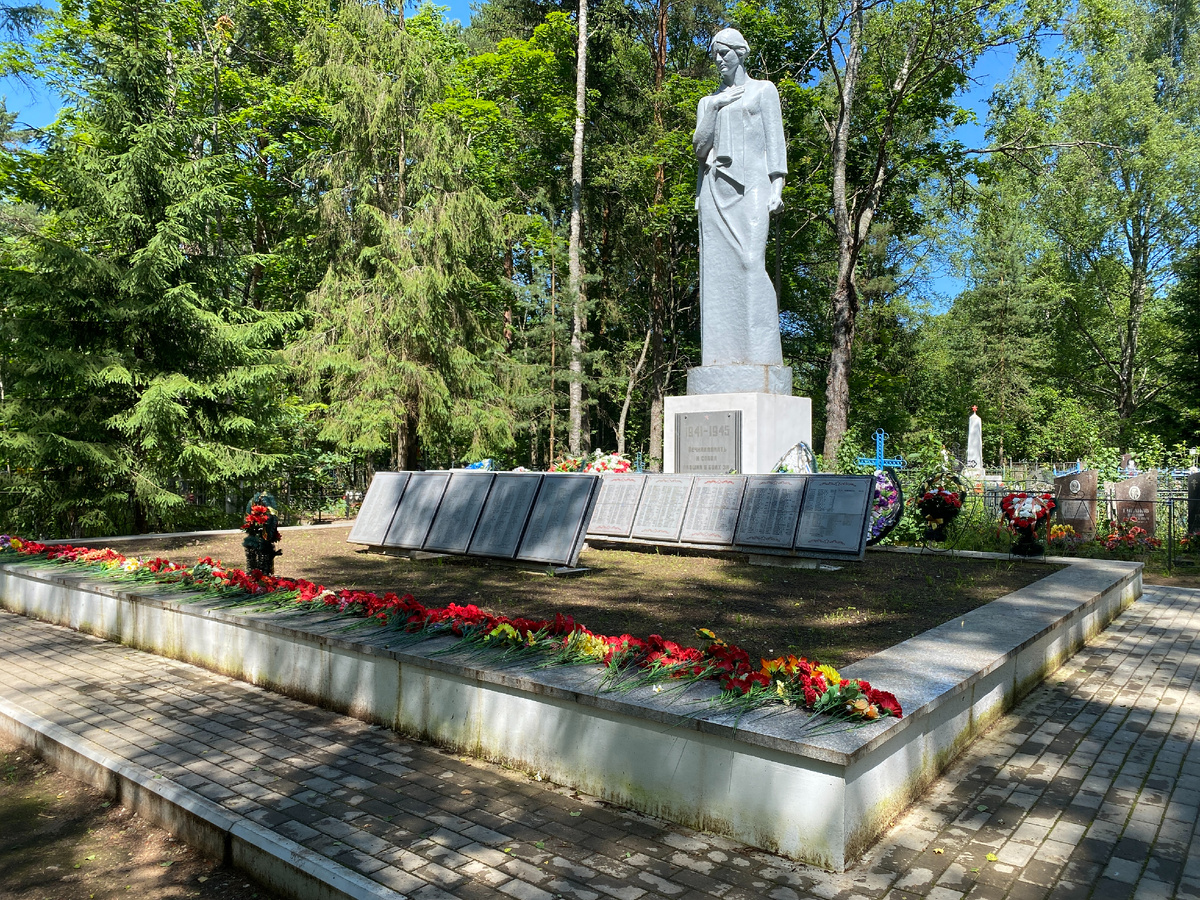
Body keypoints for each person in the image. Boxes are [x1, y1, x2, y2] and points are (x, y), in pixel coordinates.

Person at [693, 28, 788, 369]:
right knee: (717, 276)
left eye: (724, 52)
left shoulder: (764, 91)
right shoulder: (709, 102)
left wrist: (777, 188)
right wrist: (715, 107)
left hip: (753, 188)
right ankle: (721, 361)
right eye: (715, 54)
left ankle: (761, 359)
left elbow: (774, 142)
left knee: (750, 262)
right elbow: (699, 148)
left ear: (741, 52)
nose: (719, 60)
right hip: (715, 192)